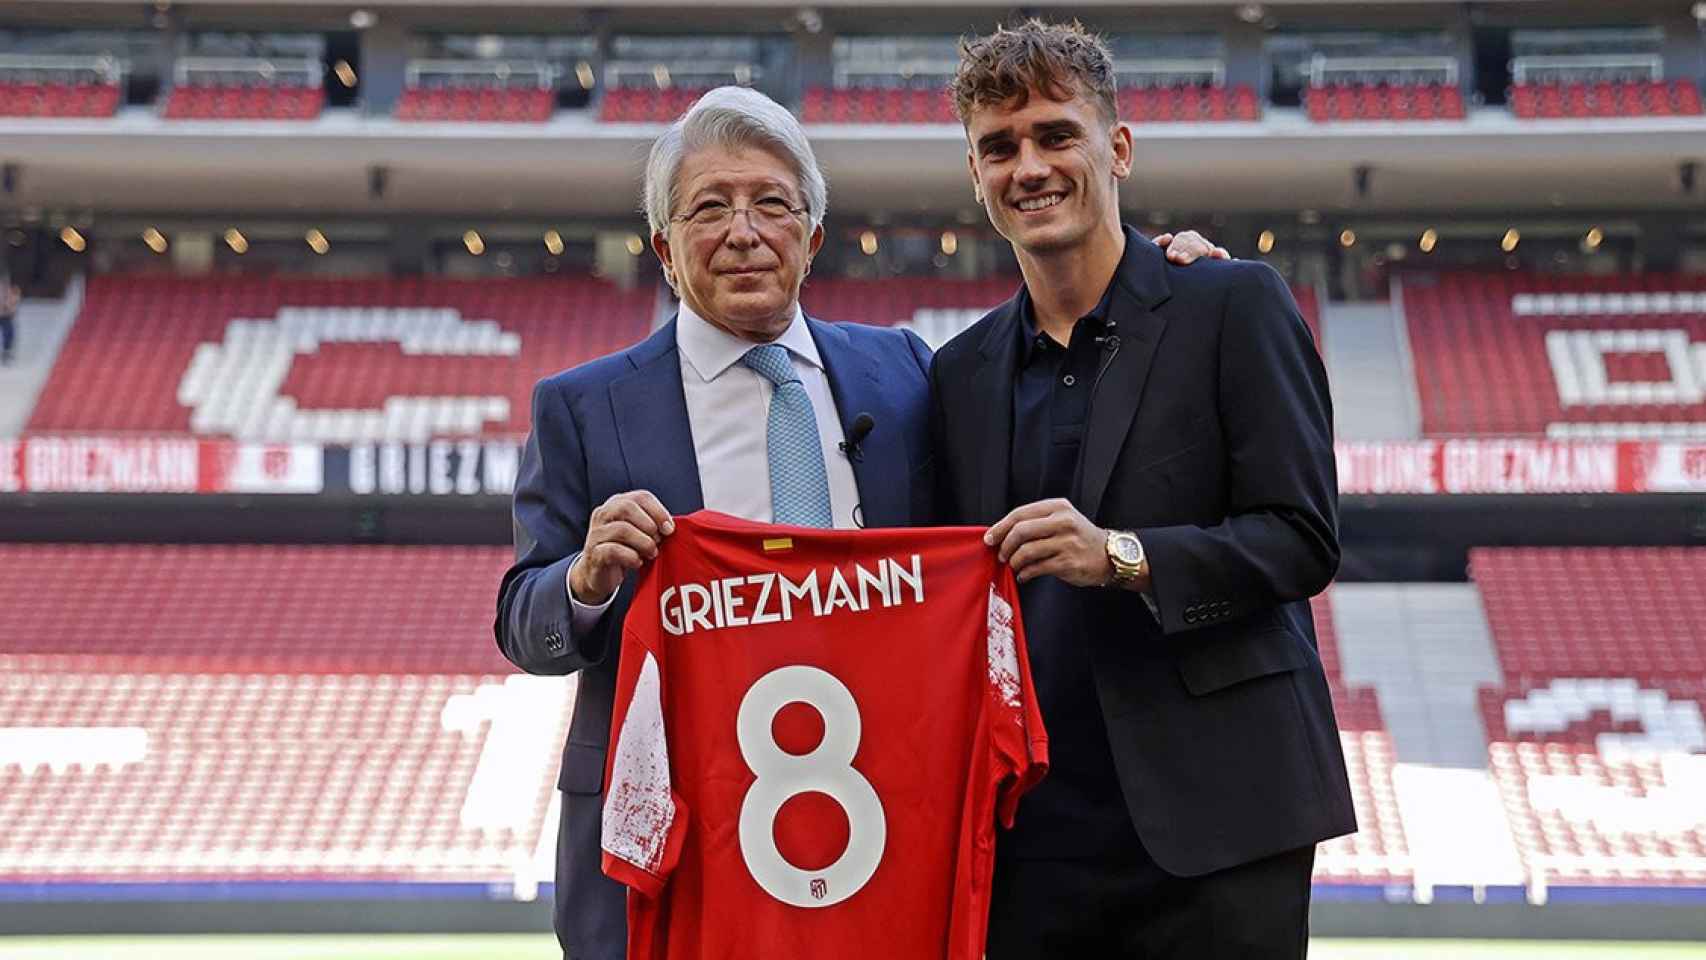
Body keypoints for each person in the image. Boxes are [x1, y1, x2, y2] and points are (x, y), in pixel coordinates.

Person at [494, 85, 1222, 960]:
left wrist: (1151, 281)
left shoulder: (907, 373)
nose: (744, 231)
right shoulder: (581, 407)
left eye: (772, 203)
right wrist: (583, 581)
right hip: (675, 842)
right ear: (663, 247)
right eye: (709, 209)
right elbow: (521, 622)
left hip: (880, 825)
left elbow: (1034, 454)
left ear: (813, 236)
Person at [929, 20, 1354, 958]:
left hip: (1224, 825)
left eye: (1055, 134)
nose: (1027, 166)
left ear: (1116, 149)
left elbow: (1302, 537)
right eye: (998, 148)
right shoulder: (957, 376)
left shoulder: (1233, 304)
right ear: (975, 176)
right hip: (1033, 837)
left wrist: (1124, 557)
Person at [0, 281, 18, 366]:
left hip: (6, 316)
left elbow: (14, 302)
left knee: (9, 333)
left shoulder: (12, 291)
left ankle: (6, 352)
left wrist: (10, 308)